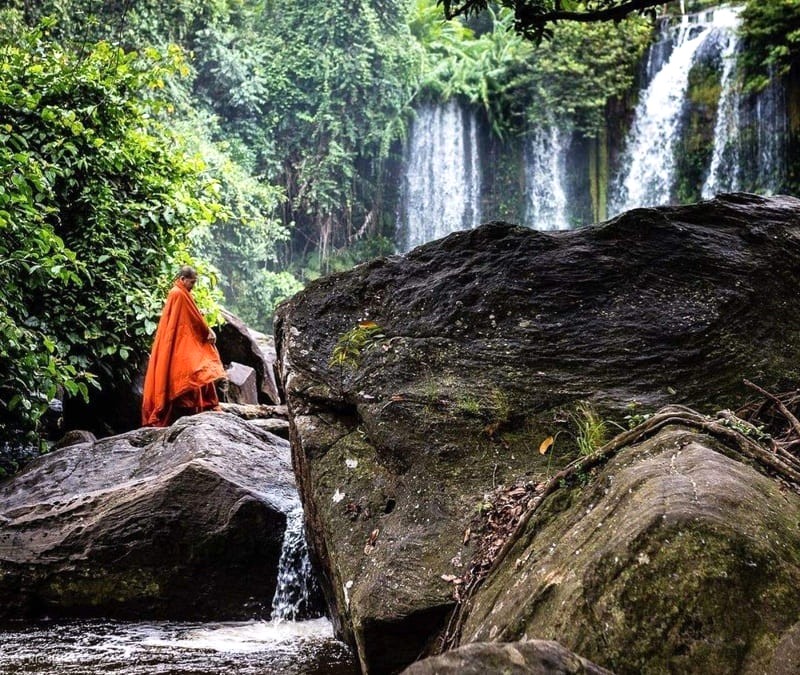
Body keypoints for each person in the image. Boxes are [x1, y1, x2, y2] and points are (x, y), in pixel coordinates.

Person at [141, 265, 226, 427]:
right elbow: (193, 319)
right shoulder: (178, 294)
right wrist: (207, 331)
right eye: (192, 282)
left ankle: (190, 410)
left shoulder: (179, 293)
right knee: (190, 370)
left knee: (191, 371)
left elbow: (190, 317)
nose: (193, 286)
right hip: (179, 341)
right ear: (182, 279)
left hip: (179, 341)